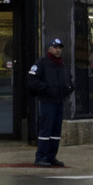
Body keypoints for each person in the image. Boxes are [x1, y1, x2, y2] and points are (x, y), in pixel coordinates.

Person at [26, 37, 73, 168]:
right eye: (55, 47)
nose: (58, 50)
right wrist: (46, 89)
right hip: (47, 102)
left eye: (60, 48)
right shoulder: (41, 64)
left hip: (59, 102)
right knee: (45, 131)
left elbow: (69, 80)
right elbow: (32, 81)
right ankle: (40, 156)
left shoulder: (63, 65)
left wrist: (68, 89)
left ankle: (51, 156)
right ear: (49, 49)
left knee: (55, 132)